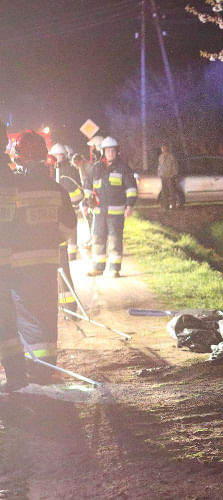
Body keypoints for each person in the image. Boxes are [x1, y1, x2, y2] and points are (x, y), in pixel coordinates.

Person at [10, 130, 77, 383]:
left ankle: (33, 364)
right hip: (48, 262)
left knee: (26, 313)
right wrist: (50, 240)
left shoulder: (13, 189)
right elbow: (69, 228)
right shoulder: (56, 189)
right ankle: (46, 363)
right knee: (47, 310)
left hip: (20, 264)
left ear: (19, 159)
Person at [82, 136, 137, 277]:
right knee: (97, 238)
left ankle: (114, 268)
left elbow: (131, 188)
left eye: (113, 151)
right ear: (103, 152)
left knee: (114, 239)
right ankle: (98, 267)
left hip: (116, 213)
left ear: (117, 152)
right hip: (99, 212)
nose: (110, 153)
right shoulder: (96, 168)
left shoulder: (123, 168)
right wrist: (86, 203)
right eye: (108, 151)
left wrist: (129, 206)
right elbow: (87, 187)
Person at [0, 125, 27, 392]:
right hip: (7, 259)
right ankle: (17, 374)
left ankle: (17, 375)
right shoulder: (11, 176)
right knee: (5, 318)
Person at [157, 143, 179, 209]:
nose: (163, 149)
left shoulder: (171, 156)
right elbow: (159, 166)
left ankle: (173, 206)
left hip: (170, 176)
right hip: (163, 176)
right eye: (162, 148)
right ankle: (165, 206)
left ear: (167, 148)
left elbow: (175, 166)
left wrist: (174, 174)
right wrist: (159, 174)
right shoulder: (160, 156)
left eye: (164, 147)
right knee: (164, 192)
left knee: (172, 192)